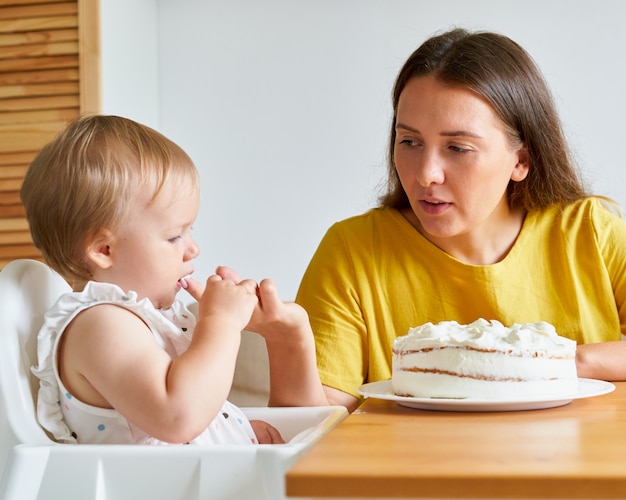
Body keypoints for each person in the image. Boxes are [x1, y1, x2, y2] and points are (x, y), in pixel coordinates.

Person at [295, 28, 626, 413]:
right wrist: (290, 342)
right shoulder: (351, 251)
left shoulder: (590, 233)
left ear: (521, 160)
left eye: (458, 148)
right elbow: (317, 426)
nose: (426, 174)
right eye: (410, 142)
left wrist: (561, 362)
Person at [21, 115, 327, 445]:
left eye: (189, 231)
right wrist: (220, 322)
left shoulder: (142, 321)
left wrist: (234, 430)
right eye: (174, 237)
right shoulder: (99, 325)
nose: (193, 249)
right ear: (104, 250)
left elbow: (186, 418)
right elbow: (178, 417)